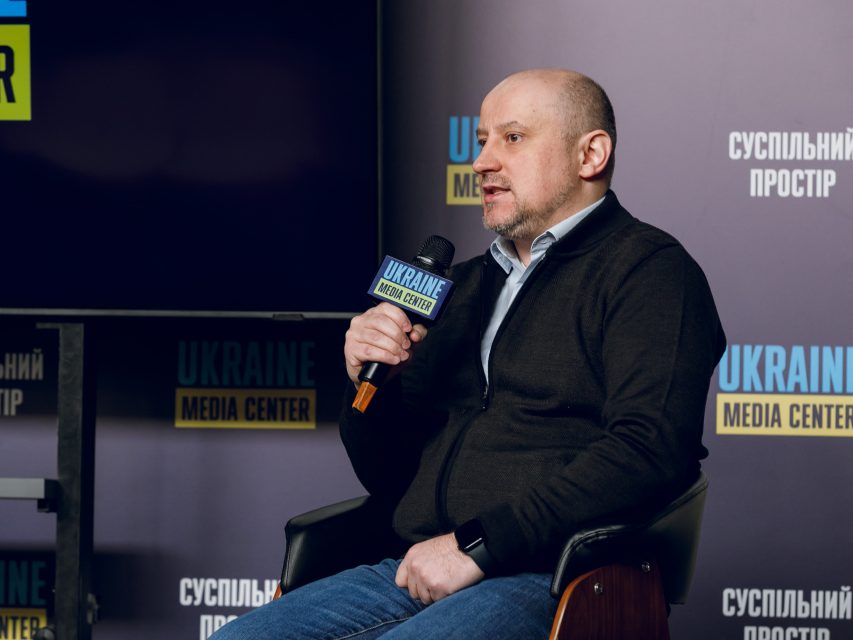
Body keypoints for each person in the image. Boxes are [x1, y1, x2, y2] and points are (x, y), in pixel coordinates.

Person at [212, 68, 726, 640]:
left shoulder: (651, 272)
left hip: (554, 574)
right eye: (481, 141)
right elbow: (390, 475)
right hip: (415, 567)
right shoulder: (454, 288)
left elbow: (649, 450)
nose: (481, 162)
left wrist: (478, 545)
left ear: (591, 154)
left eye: (512, 138)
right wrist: (370, 385)